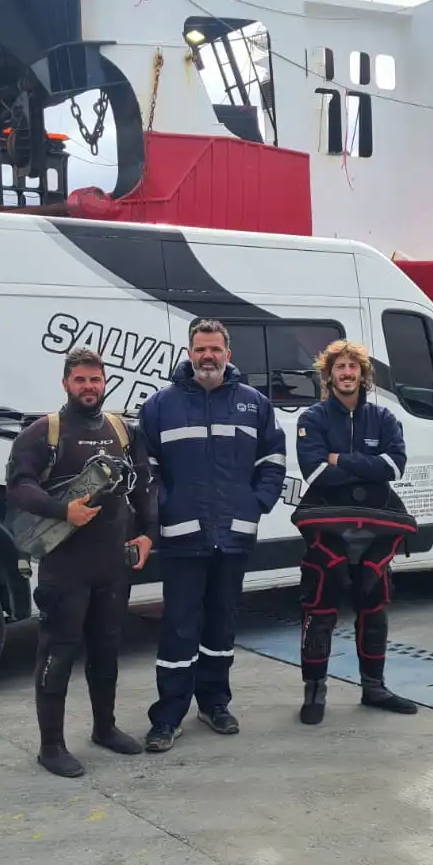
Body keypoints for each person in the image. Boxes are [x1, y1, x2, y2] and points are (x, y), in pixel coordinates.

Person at [136, 318, 287, 752]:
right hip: (183, 536)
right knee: (179, 628)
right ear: (189, 353)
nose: (207, 356)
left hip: (234, 535)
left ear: (228, 354)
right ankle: (167, 716)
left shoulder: (254, 404)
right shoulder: (160, 406)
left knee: (222, 624)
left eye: (215, 349)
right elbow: (147, 471)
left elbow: (272, 459)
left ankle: (215, 703)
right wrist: (165, 509)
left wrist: (255, 504)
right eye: (200, 349)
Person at [5, 346, 156, 778]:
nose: (89, 387)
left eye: (95, 379)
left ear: (105, 382)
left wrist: (148, 533)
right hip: (64, 566)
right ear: (66, 383)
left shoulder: (122, 430)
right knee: (58, 653)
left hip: (112, 564)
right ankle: (50, 746)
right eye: (80, 380)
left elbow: (144, 483)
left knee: (107, 649)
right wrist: (61, 510)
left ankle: (104, 728)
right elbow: (19, 487)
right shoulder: (43, 432)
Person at [292, 338, 419, 725]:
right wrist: (369, 464)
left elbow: (395, 467)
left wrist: (341, 461)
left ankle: (374, 687)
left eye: (353, 368)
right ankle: (314, 691)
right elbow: (314, 473)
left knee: (374, 612)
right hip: (326, 539)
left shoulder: (384, 420)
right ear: (328, 376)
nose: (347, 374)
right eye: (340, 368)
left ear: (364, 376)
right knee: (319, 614)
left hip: (375, 541)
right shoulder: (311, 419)